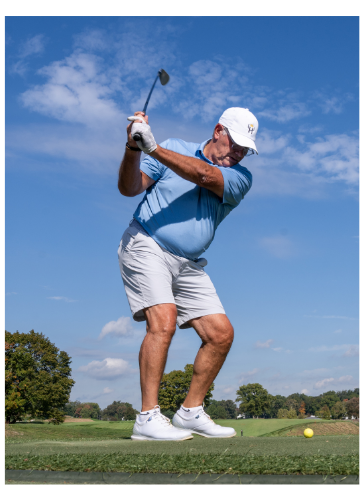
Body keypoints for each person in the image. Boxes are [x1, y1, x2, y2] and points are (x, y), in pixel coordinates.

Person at [119, 107, 257, 440]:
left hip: (189, 262)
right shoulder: (173, 145)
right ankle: (147, 418)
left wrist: (153, 148)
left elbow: (205, 176)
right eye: (234, 144)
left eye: (244, 149)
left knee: (220, 334)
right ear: (217, 131)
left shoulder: (240, 177)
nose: (237, 154)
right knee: (163, 320)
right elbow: (129, 188)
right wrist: (133, 149)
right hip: (147, 243)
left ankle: (190, 412)